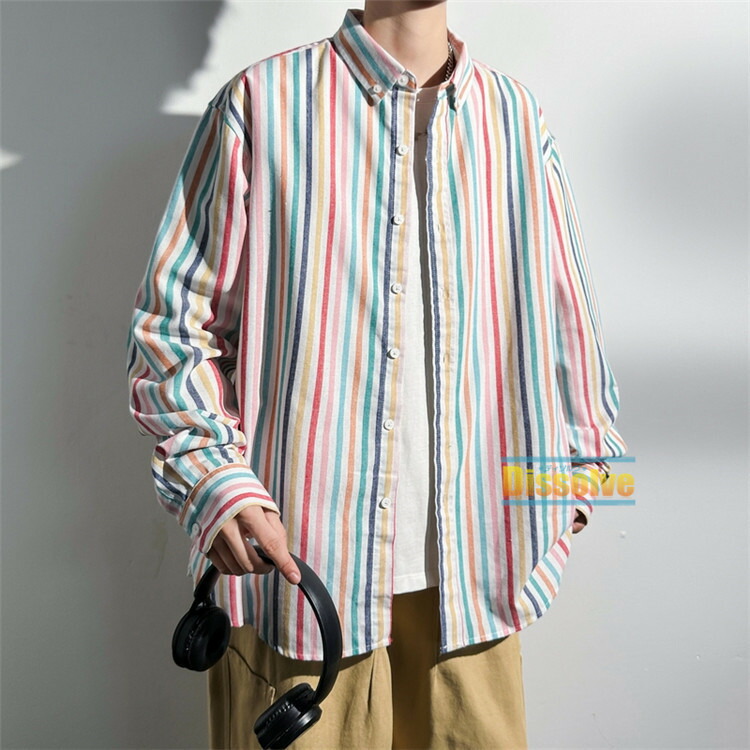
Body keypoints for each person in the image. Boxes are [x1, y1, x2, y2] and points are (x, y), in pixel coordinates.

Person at [126, 1, 627, 748]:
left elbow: (568, 330)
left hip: (479, 583)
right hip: (301, 582)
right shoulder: (261, 103)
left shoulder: (517, 118)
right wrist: (214, 484)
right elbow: (172, 328)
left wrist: (574, 495)